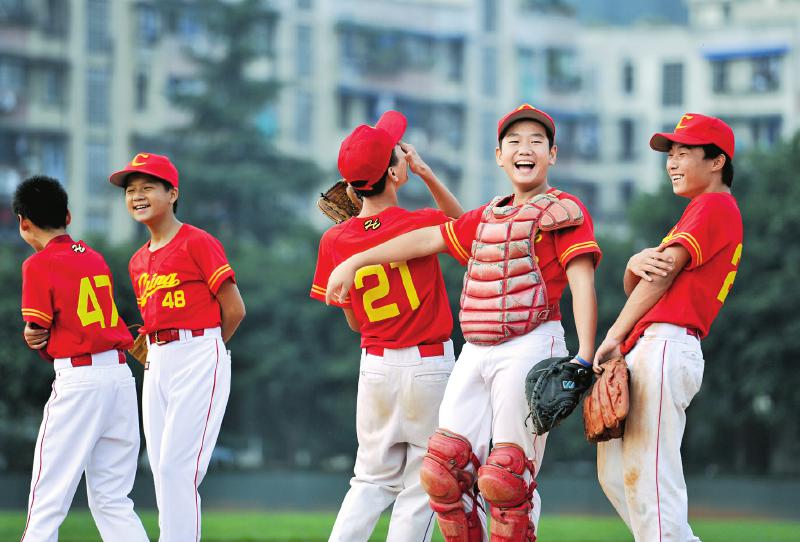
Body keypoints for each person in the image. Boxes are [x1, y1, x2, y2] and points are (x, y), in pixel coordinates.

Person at [326, 104, 601, 541]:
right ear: (498, 155)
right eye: (514, 141)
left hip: (528, 340)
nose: (525, 148)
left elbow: (582, 280)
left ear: (552, 154)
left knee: (507, 476)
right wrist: (359, 259)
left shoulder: (562, 210)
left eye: (536, 141)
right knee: (443, 471)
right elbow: (429, 236)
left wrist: (585, 355)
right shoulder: (487, 214)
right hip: (468, 349)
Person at [310, 110, 463, 541]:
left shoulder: (334, 240)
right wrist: (427, 175)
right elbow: (466, 229)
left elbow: (354, 319)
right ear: (395, 173)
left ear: (350, 187)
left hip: (375, 366)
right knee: (421, 483)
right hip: (429, 367)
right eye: (398, 153)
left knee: (370, 479)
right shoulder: (421, 222)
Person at [592, 113, 742, 541]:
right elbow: (649, 280)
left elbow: (660, 276)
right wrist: (632, 264)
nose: (671, 162)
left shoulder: (712, 205)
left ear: (716, 161)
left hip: (666, 343)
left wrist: (613, 335)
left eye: (683, 152)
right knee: (618, 476)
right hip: (655, 343)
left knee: (651, 485)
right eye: (669, 154)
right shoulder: (702, 211)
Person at [109, 153, 246, 541]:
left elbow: (234, 310)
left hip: (199, 351)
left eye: (147, 187)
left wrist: (205, 349)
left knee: (176, 468)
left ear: (172, 194)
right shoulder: (137, 261)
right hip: (157, 361)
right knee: (161, 469)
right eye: (130, 190)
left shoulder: (197, 242)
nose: (137, 196)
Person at [15, 176, 149, 542]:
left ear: (23, 223)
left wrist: (31, 335)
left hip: (80, 382)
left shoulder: (38, 264)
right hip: (120, 378)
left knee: (47, 498)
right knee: (113, 500)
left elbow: (38, 328)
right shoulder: (93, 256)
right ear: (68, 216)